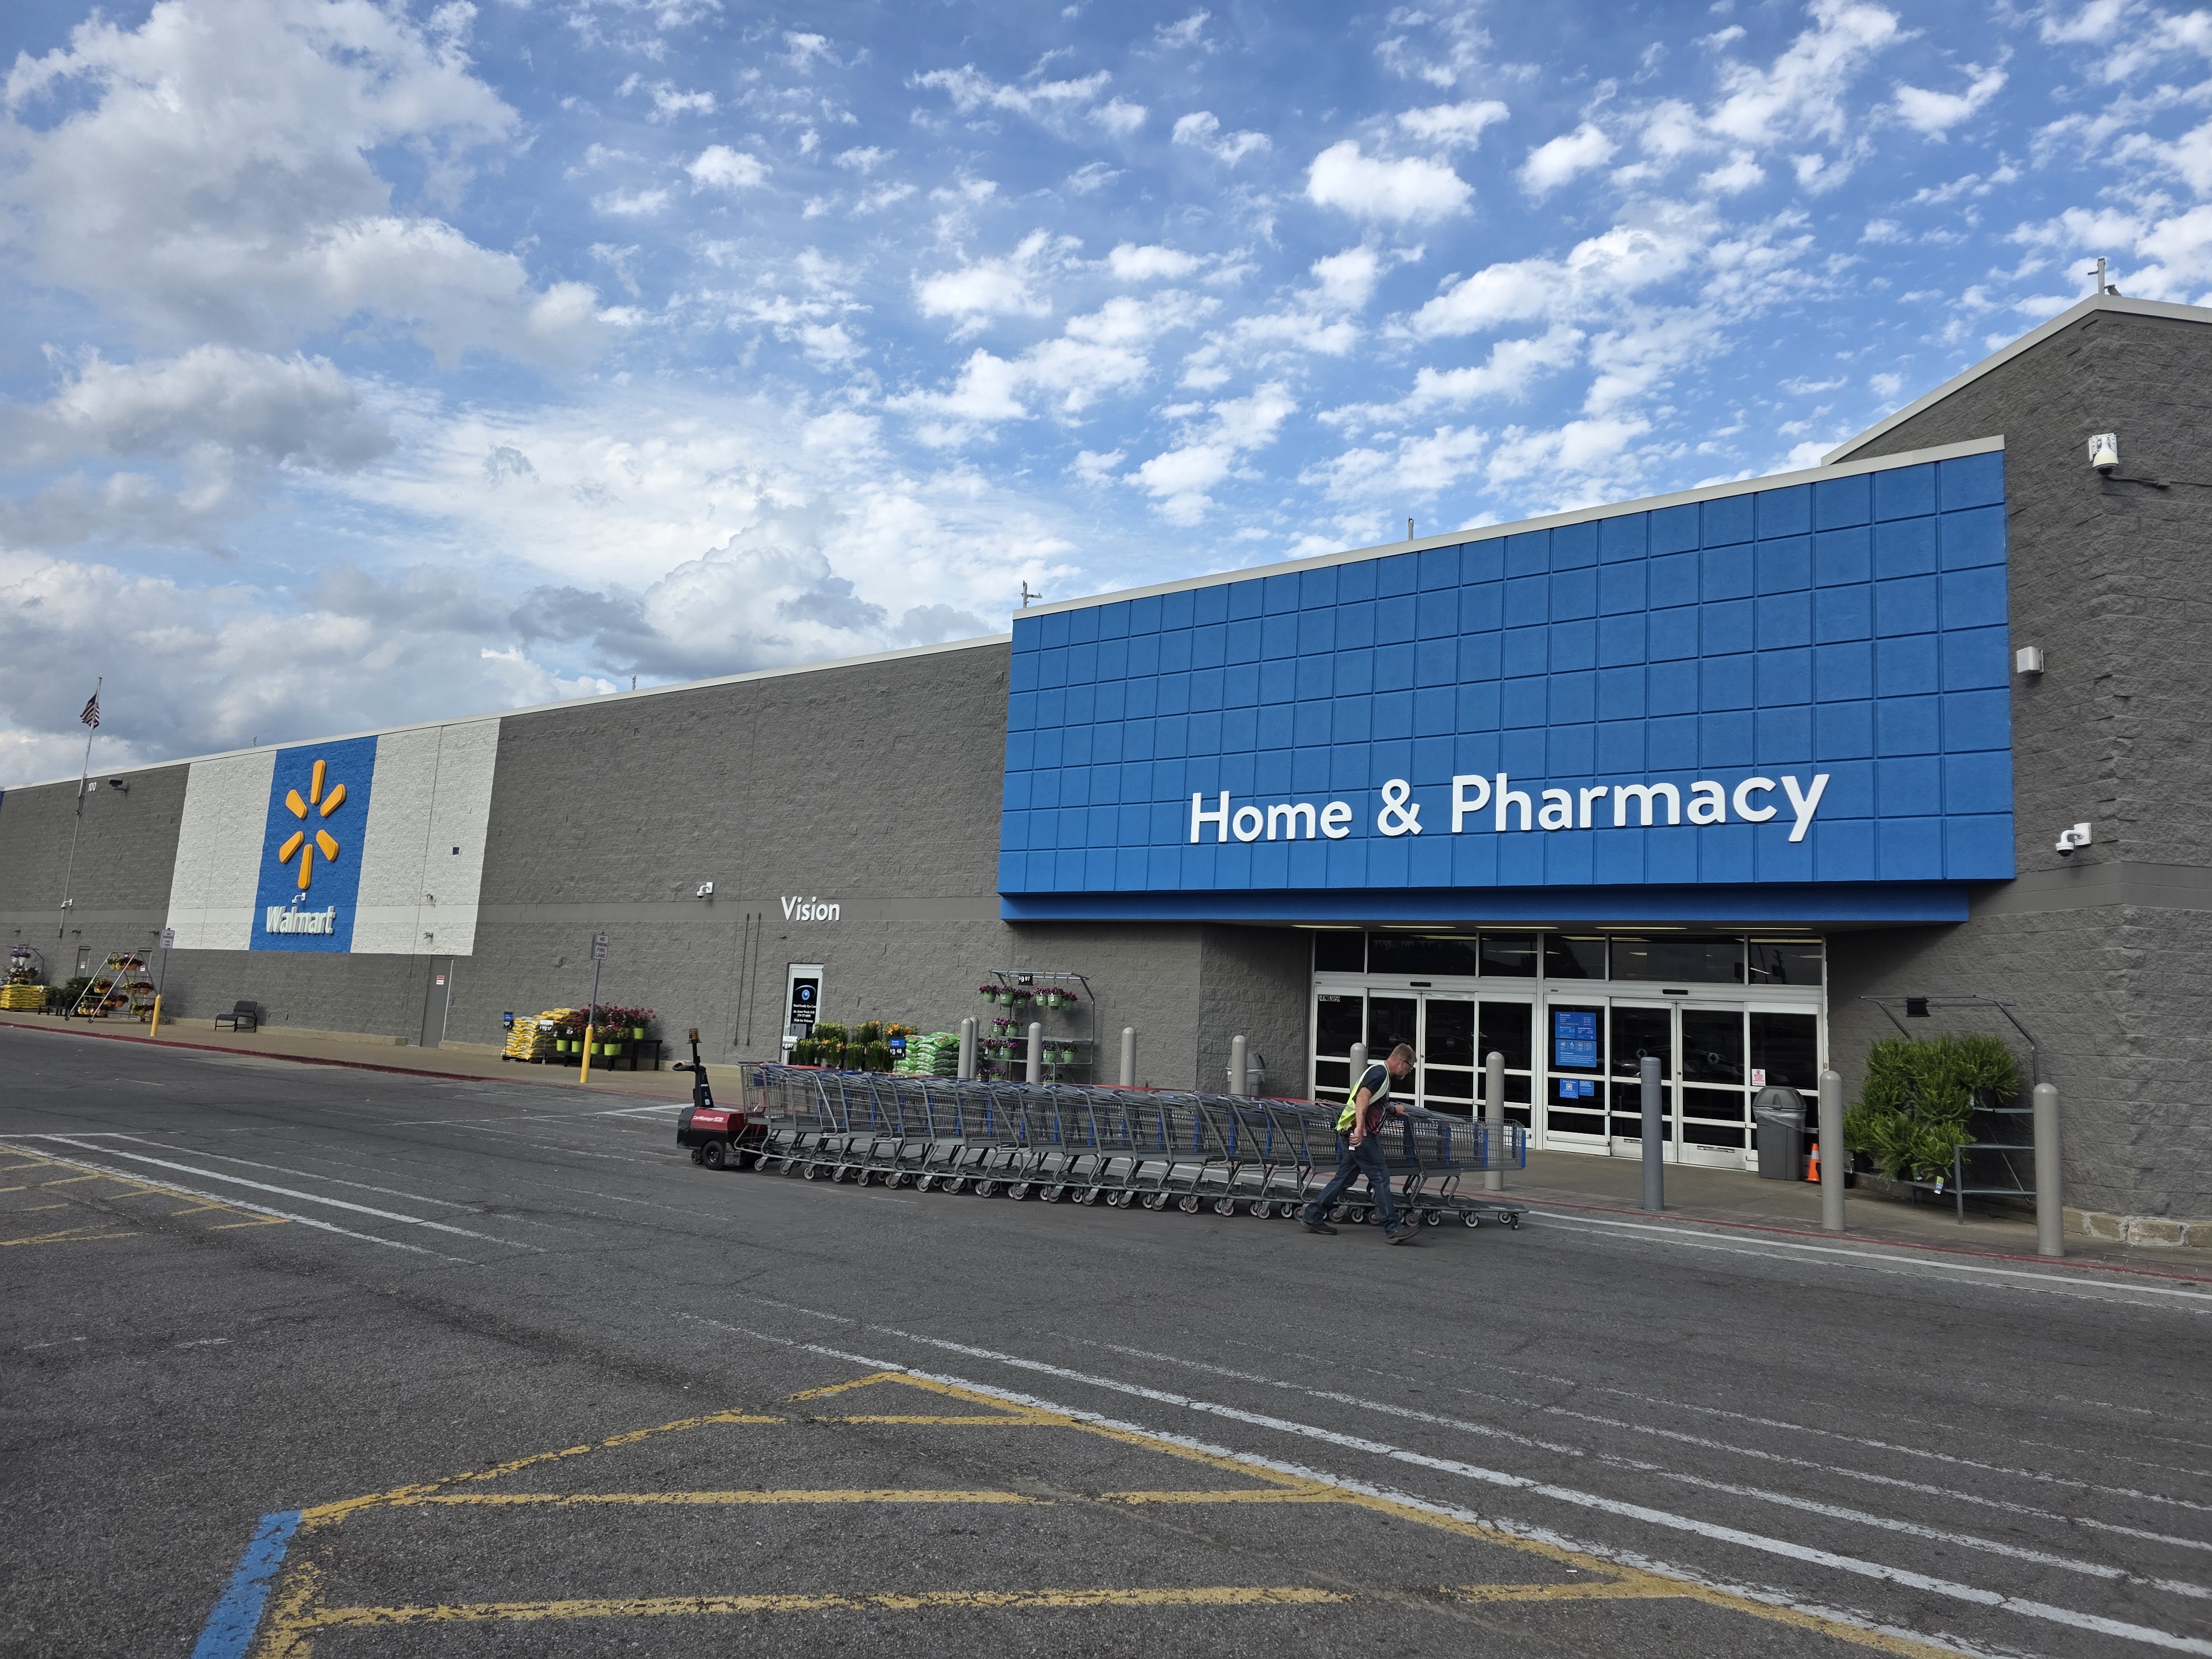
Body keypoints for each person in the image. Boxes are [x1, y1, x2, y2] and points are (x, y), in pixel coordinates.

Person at [1302, 1043, 1420, 1243]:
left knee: (1344, 1179)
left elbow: (1375, 1101)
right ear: (1402, 1062)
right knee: (1381, 1178)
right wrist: (1360, 1129)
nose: (1408, 1072)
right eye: (1409, 1068)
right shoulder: (1380, 1073)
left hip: (1353, 1132)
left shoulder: (1380, 1074)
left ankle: (1312, 1215)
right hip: (1361, 1135)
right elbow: (1363, 1097)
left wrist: (1393, 1110)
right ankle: (1393, 1229)